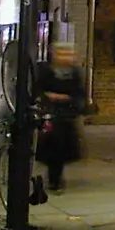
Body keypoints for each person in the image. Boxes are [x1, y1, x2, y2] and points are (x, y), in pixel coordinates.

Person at [34, 43, 84, 192]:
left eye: (69, 54)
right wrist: (47, 97)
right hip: (50, 113)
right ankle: (54, 178)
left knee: (62, 148)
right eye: (62, 53)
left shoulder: (74, 73)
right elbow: (38, 89)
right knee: (53, 145)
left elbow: (79, 92)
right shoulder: (46, 70)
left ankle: (56, 175)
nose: (66, 57)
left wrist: (71, 101)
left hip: (67, 114)